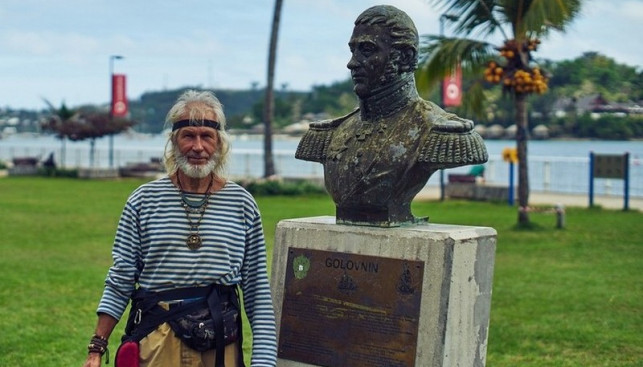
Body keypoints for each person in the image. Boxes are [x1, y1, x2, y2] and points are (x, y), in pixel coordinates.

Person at [82, 90, 277, 367]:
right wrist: (96, 347)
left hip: (220, 341)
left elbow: (256, 289)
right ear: (174, 142)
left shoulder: (241, 203)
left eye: (206, 136)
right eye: (188, 136)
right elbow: (121, 277)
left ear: (219, 143)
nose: (198, 147)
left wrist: (264, 361)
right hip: (159, 337)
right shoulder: (143, 201)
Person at [296, 5, 488, 226]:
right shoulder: (328, 134)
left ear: (405, 58)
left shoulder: (441, 133)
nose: (352, 63)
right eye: (353, 51)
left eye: (367, 50)